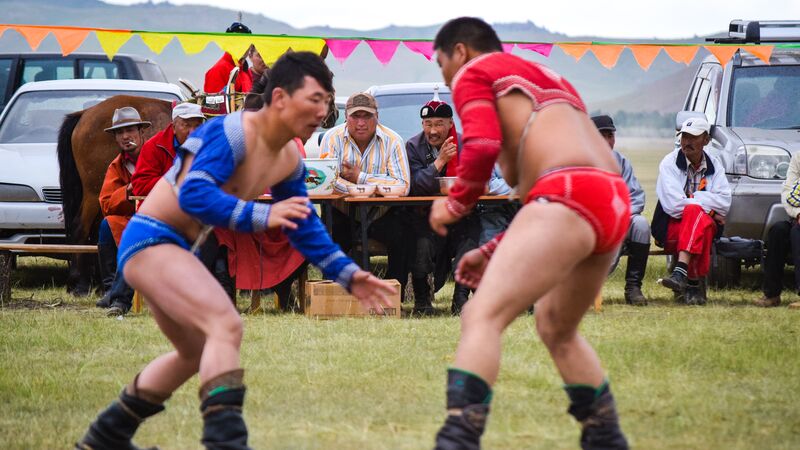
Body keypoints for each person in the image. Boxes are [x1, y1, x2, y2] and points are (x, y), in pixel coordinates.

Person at [75, 52, 396, 450]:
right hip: (151, 240)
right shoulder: (232, 132)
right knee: (226, 325)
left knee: (193, 353)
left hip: (178, 250)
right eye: (315, 99)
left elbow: (303, 225)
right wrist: (265, 214)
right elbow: (193, 194)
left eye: (327, 102)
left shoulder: (289, 157)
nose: (323, 111)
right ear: (280, 98)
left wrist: (350, 275)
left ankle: (105, 437)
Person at [427, 18, 631, 449]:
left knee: (480, 316)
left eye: (441, 64)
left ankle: (457, 439)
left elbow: (482, 146)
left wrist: (457, 203)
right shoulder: (553, 80)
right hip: (611, 198)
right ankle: (606, 439)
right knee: (556, 326)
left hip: (567, 193)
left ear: (460, 51)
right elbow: (545, 199)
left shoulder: (474, 71)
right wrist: (494, 249)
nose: (446, 79)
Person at [406, 97, 511, 315]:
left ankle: (460, 298)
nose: (433, 130)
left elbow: (479, 180)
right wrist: (440, 162)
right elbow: (415, 185)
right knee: (421, 244)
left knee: (470, 241)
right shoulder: (413, 146)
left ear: (450, 123)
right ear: (422, 124)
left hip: (462, 214)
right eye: (428, 124)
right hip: (427, 215)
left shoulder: (466, 144)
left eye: (439, 124)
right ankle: (422, 302)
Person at [319, 92, 412, 294]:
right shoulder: (331, 138)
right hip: (342, 212)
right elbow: (328, 181)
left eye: (367, 116)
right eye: (355, 116)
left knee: (403, 233)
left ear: (377, 116)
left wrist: (359, 178)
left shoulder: (393, 140)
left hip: (382, 213)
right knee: (328, 234)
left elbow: (403, 186)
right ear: (346, 117)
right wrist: (373, 188)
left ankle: (395, 298)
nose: (361, 123)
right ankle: (331, 297)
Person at [654, 117, 731, 305]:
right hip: (672, 227)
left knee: (695, 215)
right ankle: (694, 285)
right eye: (684, 136)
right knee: (697, 219)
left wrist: (691, 198)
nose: (686, 142)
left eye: (693, 137)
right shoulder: (669, 163)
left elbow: (725, 203)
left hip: (698, 229)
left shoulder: (715, 164)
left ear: (706, 140)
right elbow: (674, 206)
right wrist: (709, 210)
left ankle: (680, 272)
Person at [95, 107, 150, 316]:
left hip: (158, 218)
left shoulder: (155, 154)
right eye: (120, 132)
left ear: (141, 132)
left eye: (130, 130)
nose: (125, 136)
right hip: (131, 218)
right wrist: (127, 191)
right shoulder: (116, 166)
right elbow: (106, 203)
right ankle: (110, 289)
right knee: (107, 224)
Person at [592, 115, 650, 305]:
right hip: (591, 224)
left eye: (610, 135)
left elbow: (636, 196)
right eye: (602, 136)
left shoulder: (622, 162)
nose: (608, 141)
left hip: (620, 220)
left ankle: (633, 288)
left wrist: (621, 215)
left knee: (641, 224)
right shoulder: (580, 161)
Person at [755, 150, 800, 308]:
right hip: (797, 215)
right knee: (778, 231)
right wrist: (798, 213)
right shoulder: (798, 157)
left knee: (797, 233)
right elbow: (787, 191)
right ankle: (772, 294)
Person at [204, 21, 254, 94]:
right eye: (236, 41)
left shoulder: (246, 71)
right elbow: (213, 101)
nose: (242, 46)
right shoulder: (218, 70)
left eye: (246, 42)